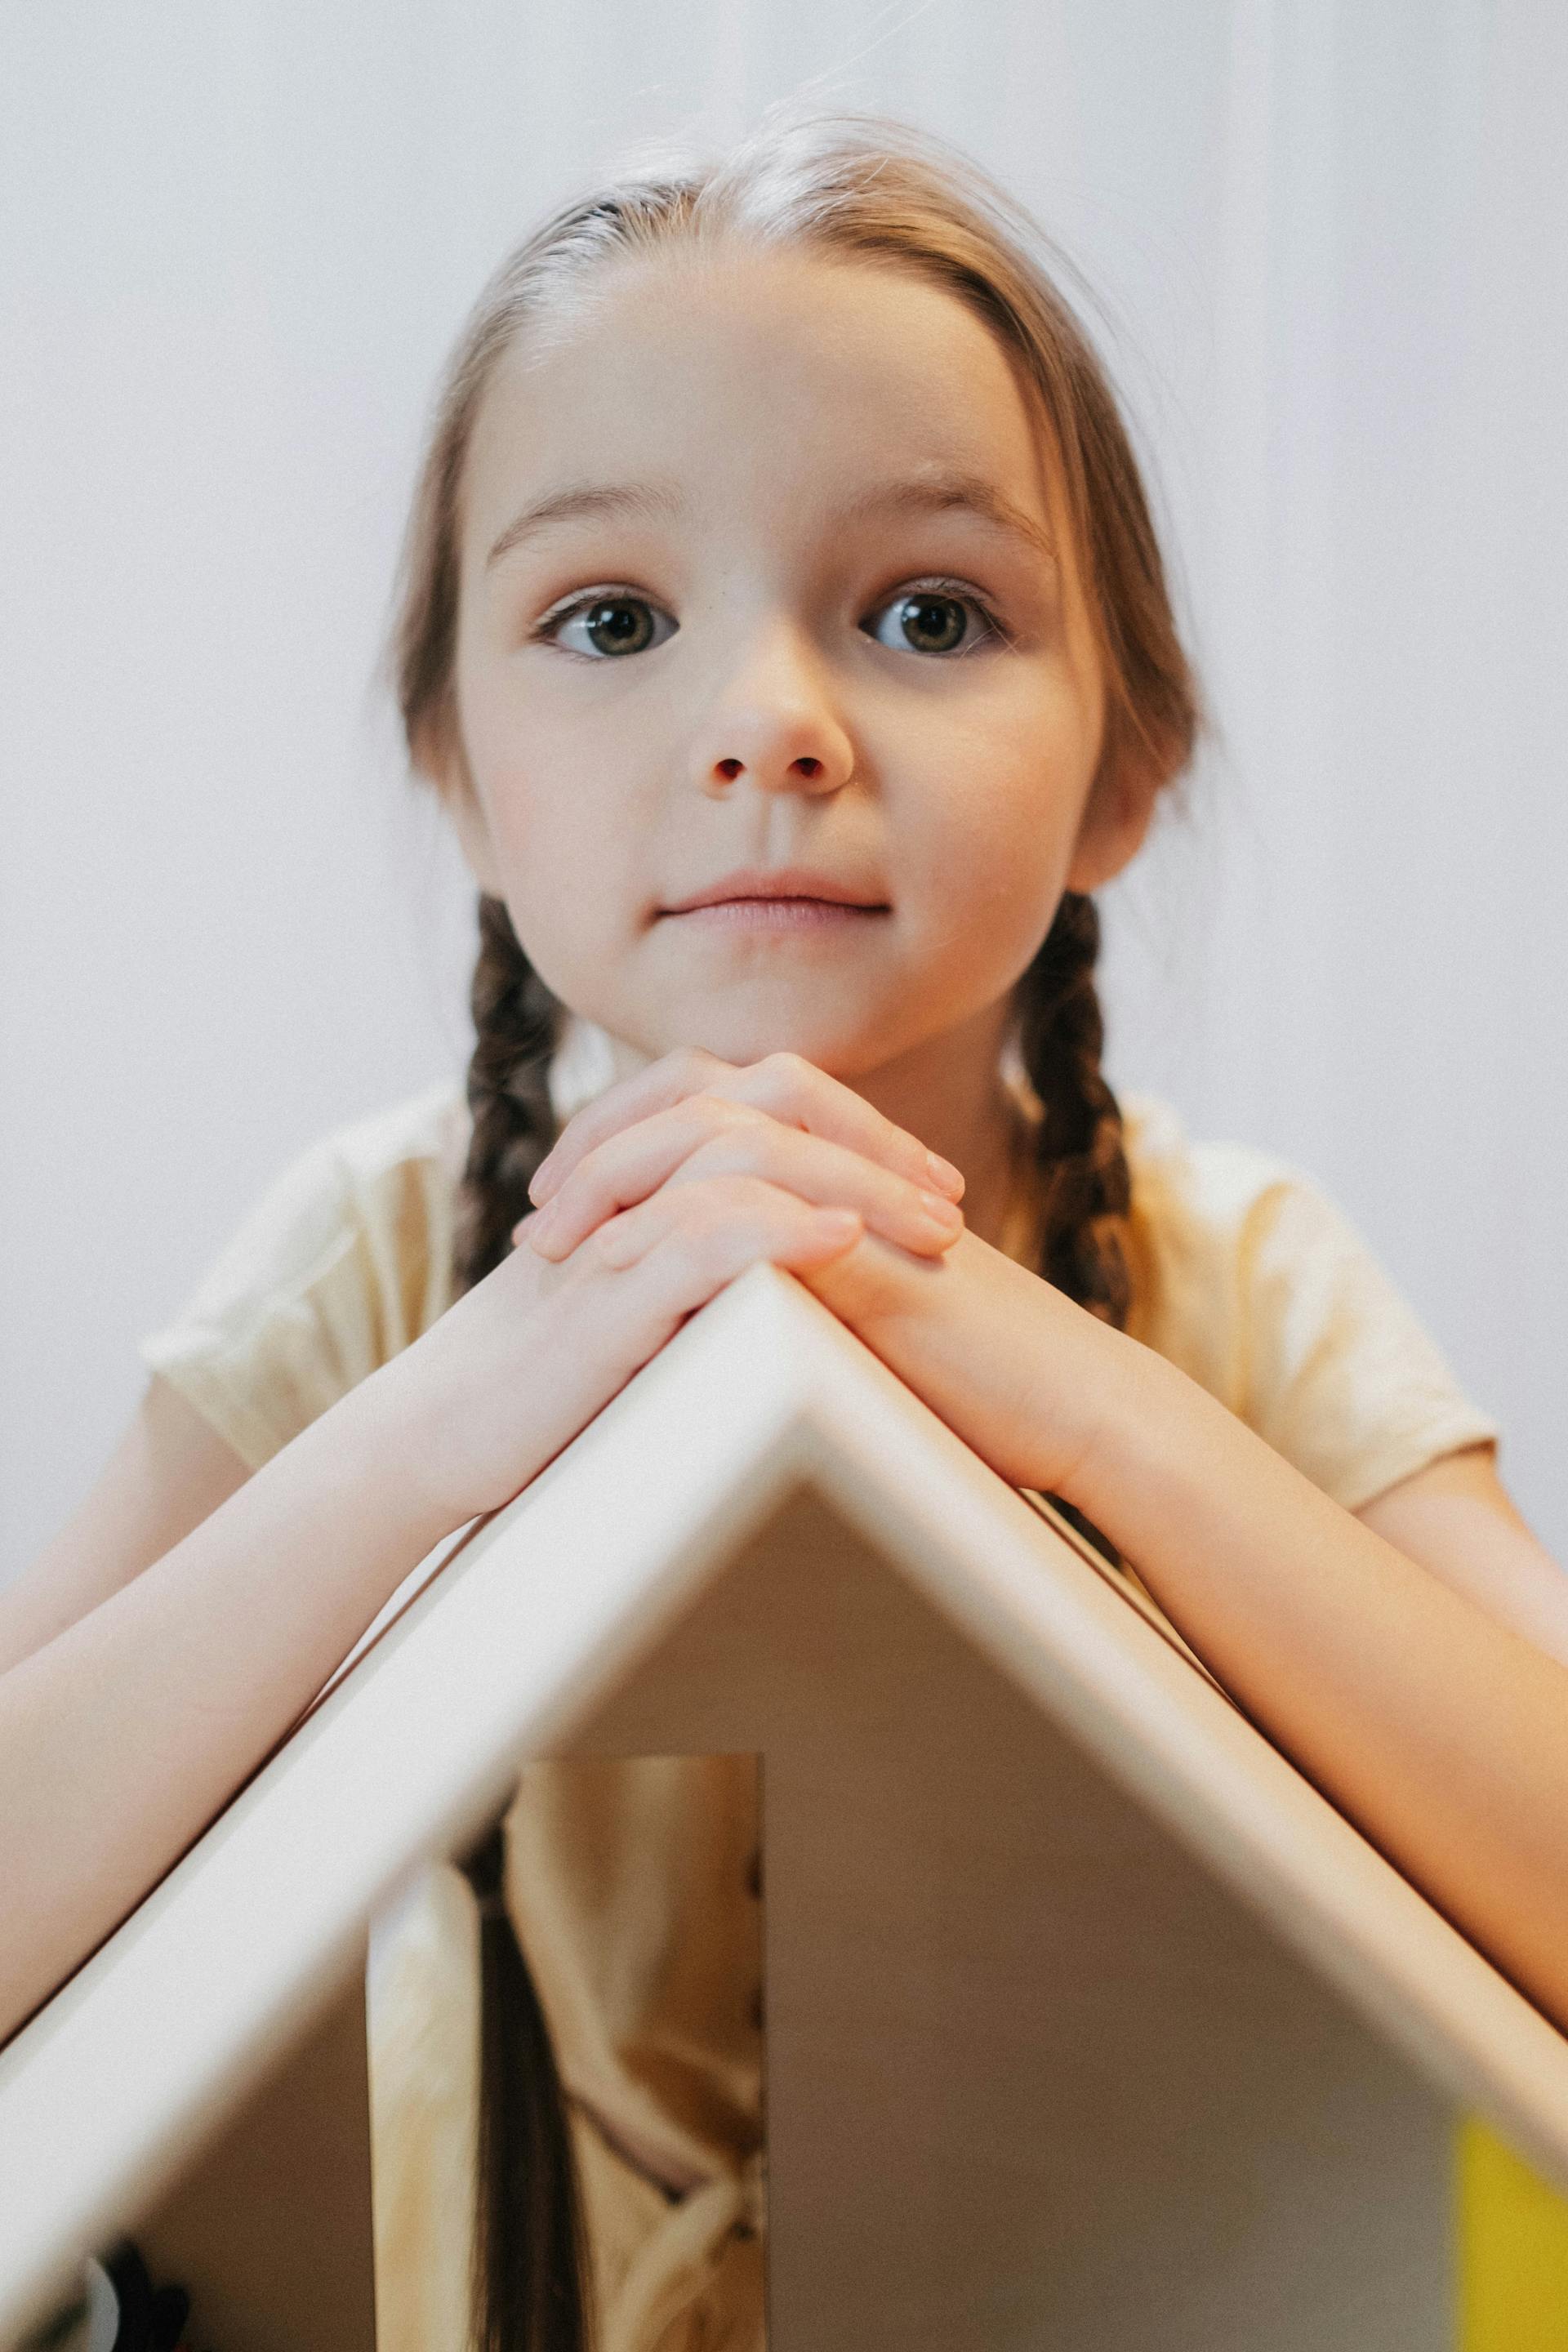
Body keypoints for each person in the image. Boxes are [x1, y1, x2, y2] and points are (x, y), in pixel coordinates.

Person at [4, 102, 1568, 2352]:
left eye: (929, 612)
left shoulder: (1236, 1280)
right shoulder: (372, 1256)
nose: (768, 724)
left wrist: (1102, 1420)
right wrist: (449, 1420)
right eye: (612, 615)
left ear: (1125, 768)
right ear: (459, 763)